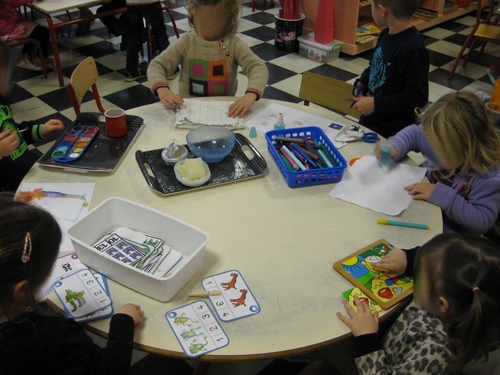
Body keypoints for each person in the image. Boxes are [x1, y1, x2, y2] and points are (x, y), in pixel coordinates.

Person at [337, 233, 500, 374]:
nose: (417, 276)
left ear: (442, 304)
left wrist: (367, 340)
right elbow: (440, 262)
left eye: (420, 276)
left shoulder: (436, 354)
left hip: (375, 360)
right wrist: (408, 259)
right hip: (387, 339)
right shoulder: (458, 298)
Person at [377, 91, 500, 236]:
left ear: (465, 148)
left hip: (451, 238)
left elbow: (482, 222)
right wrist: (395, 147)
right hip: (424, 210)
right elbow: (415, 134)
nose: (431, 147)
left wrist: (440, 195)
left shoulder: (488, 176)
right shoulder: (445, 141)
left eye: (438, 147)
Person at [147, 0, 269, 119]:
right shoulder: (186, 43)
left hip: (224, 112)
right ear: (193, 11)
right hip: (189, 110)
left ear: (230, 19)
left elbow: (258, 68)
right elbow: (157, 65)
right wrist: (162, 89)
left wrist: (250, 95)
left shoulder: (234, 44)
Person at [351, 0, 429, 138]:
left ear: (382, 10)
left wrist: (376, 104)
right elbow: (375, 65)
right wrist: (362, 81)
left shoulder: (413, 48)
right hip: (370, 122)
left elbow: (417, 97)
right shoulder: (385, 34)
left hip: (393, 133)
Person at [0, 40, 64, 192]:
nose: (7, 75)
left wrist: (39, 130)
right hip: (10, 190)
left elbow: (14, 132)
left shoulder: (1, 100)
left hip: (29, 171)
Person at [123, 0, 172, 81]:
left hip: (131, 3)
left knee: (134, 35)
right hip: (150, 2)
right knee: (160, 33)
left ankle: (131, 70)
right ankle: (168, 68)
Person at [0, 0, 54, 71]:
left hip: (8, 23)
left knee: (38, 31)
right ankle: (34, 57)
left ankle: (28, 55)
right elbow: (16, 1)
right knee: (42, 32)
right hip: (7, 28)